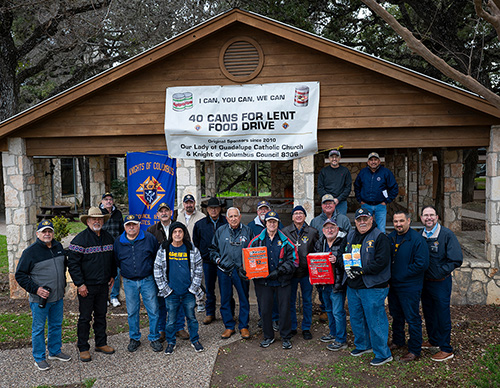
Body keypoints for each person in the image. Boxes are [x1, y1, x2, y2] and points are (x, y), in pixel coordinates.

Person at [15, 220, 71, 371]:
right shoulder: (30, 252)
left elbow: (63, 266)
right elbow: (20, 275)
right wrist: (36, 289)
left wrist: (63, 285)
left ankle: (54, 351)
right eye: (44, 231)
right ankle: (39, 358)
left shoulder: (58, 246)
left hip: (58, 297)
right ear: (38, 234)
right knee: (39, 328)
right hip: (40, 299)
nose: (47, 234)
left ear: (53, 233)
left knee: (56, 325)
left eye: (50, 231)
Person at [343, 208, 392, 366]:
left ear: (372, 219)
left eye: (365, 218)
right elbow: (342, 254)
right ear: (355, 221)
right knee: (357, 318)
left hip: (373, 286)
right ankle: (363, 345)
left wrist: (362, 270)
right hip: (353, 286)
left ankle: (383, 354)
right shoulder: (350, 235)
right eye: (359, 219)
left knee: (375, 320)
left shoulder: (380, 237)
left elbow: (382, 262)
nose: (362, 222)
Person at [68, 207, 117, 362]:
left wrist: (112, 275)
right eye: (94, 219)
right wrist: (80, 284)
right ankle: (83, 347)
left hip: (103, 285)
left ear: (103, 221)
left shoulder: (108, 237)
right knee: (85, 318)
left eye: (100, 219)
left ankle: (101, 343)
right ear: (87, 221)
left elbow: (112, 259)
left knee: (101, 315)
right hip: (86, 287)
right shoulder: (79, 240)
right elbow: (73, 265)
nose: (97, 221)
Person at [248, 211, 298, 349]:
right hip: (263, 282)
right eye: (269, 221)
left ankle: (286, 337)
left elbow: (294, 261)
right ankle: (268, 336)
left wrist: (280, 271)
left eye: (274, 222)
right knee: (265, 310)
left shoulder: (286, 240)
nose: (272, 224)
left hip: (282, 281)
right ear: (265, 223)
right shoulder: (256, 240)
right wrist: (248, 270)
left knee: (284, 310)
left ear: (278, 223)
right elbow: (249, 259)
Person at [420, 206, 463, 362]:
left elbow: (456, 259)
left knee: (442, 314)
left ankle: (446, 348)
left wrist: (441, 271)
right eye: (426, 215)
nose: (429, 218)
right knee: (429, 312)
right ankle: (433, 340)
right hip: (425, 283)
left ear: (437, 217)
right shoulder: (421, 235)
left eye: (431, 215)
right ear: (421, 218)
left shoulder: (446, 235)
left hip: (441, 283)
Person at [154, 222, 204, 355]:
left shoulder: (191, 249)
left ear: (184, 233)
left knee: (192, 318)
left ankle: (195, 340)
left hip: (188, 292)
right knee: (171, 320)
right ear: (171, 234)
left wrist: (193, 289)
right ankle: (171, 342)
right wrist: (166, 290)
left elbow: (199, 270)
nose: (177, 234)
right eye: (174, 232)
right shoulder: (164, 249)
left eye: (180, 232)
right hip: (171, 292)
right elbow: (157, 270)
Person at [114, 214, 162, 353]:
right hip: (129, 281)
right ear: (124, 227)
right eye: (128, 225)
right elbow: (117, 261)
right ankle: (134, 338)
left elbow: (155, 257)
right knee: (132, 311)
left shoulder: (149, 238)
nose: (131, 227)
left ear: (139, 225)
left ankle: (154, 337)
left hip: (147, 279)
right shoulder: (119, 242)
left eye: (134, 224)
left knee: (153, 310)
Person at [388, 211, 429, 362]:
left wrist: (402, 274)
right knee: (396, 315)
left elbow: (421, 264)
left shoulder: (417, 239)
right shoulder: (391, 237)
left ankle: (414, 350)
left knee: (412, 318)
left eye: (401, 221)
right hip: (393, 286)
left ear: (409, 221)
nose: (398, 224)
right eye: (395, 221)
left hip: (410, 286)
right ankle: (398, 341)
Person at [209, 207, 254, 340]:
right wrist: (218, 260)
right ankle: (229, 326)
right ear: (227, 218)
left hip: (241, 271)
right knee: (225, 299)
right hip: (224, 270)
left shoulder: (248, 231)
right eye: (231, 216)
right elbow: (212, 249)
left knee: (244, 298)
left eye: (236, 216)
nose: (233, 218)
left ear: (240, 217)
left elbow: (253, 250)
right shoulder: (220, 231)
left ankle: (244, 326)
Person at [147, 203, 187, 342]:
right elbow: (149, 251)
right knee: (161, 301)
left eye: (166, 211)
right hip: (160, 272)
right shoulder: (151, 230)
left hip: (177, 269)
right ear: (157, 214)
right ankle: (162, 329)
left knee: (179, 299)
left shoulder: (179, 227)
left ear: (171, 212)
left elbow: (186, 245)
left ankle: (179, 327)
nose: (164, 213)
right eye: (161, 211)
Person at [310, 194, 351, 322]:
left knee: (337, 308)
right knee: (325, 298)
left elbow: (349, 242)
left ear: (335, 204)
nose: (328, 205)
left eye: (330, 203)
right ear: (321, 206)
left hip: (338, 272)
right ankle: (324, 311)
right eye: (325, 203)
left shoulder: (343, 219)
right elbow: (314, 243)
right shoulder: (315, 221)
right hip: (322, 271)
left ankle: (339, 336)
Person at [282, 205, 319, 340]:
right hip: (291, 273)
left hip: (306, 273)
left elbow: (316, 251)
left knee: (307, 301)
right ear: (292, 217)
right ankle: (292, 327)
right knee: (290, 301)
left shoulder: (312, 232)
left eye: (301, 213)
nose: (298, 215)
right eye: (296, 213)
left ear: (305, 216)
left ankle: (306, 327)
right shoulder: (285, 232)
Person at [192, 197, 228, 325]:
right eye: (211, 208)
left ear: (220, 209)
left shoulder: (226, 222)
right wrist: (204, 254)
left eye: (216, 208)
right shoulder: (200, 224)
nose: (213, 210)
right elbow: (196, 242)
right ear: (207, 209)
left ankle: (227, 313)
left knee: (225, 288)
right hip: (207, 261)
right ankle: (210, 313)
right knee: (209, 288)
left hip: (224, 261)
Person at [314, 218, 348, 352]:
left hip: (337, 283)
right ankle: (333, 333)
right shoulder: (320, 242)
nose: (330, 230)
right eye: (327, 228)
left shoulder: (343, 242)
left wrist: (337, 259)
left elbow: (348, 260)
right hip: (324, 283)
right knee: (328, 309)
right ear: (323, 230)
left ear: (337, 229)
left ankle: (341, 339)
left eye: (332, 227)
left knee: (338, 311)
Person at [353, 152, 398, 233]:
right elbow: (357, 186)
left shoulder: (386, 172)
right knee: (365, 229)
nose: (373, 162)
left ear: (379, 161)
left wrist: (386, 201)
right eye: (371, 160)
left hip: (380, 206)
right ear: (368, 162)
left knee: (381, 230)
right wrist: (360, 199)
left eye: (375, 160)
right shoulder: (363, 173)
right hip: (365, 206)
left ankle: (380, 245)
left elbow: (394, 188)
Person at [100, 192, 124, 308]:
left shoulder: (118, 214)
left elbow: (122, 230)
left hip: (115, 248)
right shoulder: (99, 214)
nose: (108, 201)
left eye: (110, 199)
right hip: (102, 249)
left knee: (116, 272)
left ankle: (114, 296)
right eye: (106, 199)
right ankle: (104, 297)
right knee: (103, 272)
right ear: (102, 202)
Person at [317, 149, 352, 216]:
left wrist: (338, 199)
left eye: (336, 157)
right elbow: (320, 187)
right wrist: (328, 199)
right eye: (332, 157)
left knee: (341, 224)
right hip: (327, 203)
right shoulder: (324, 171)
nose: (334, 159)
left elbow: (348, 188)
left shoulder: (345, 171)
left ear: (339, 158)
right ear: (329, 158)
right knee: (327, 224)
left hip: (341, 203)